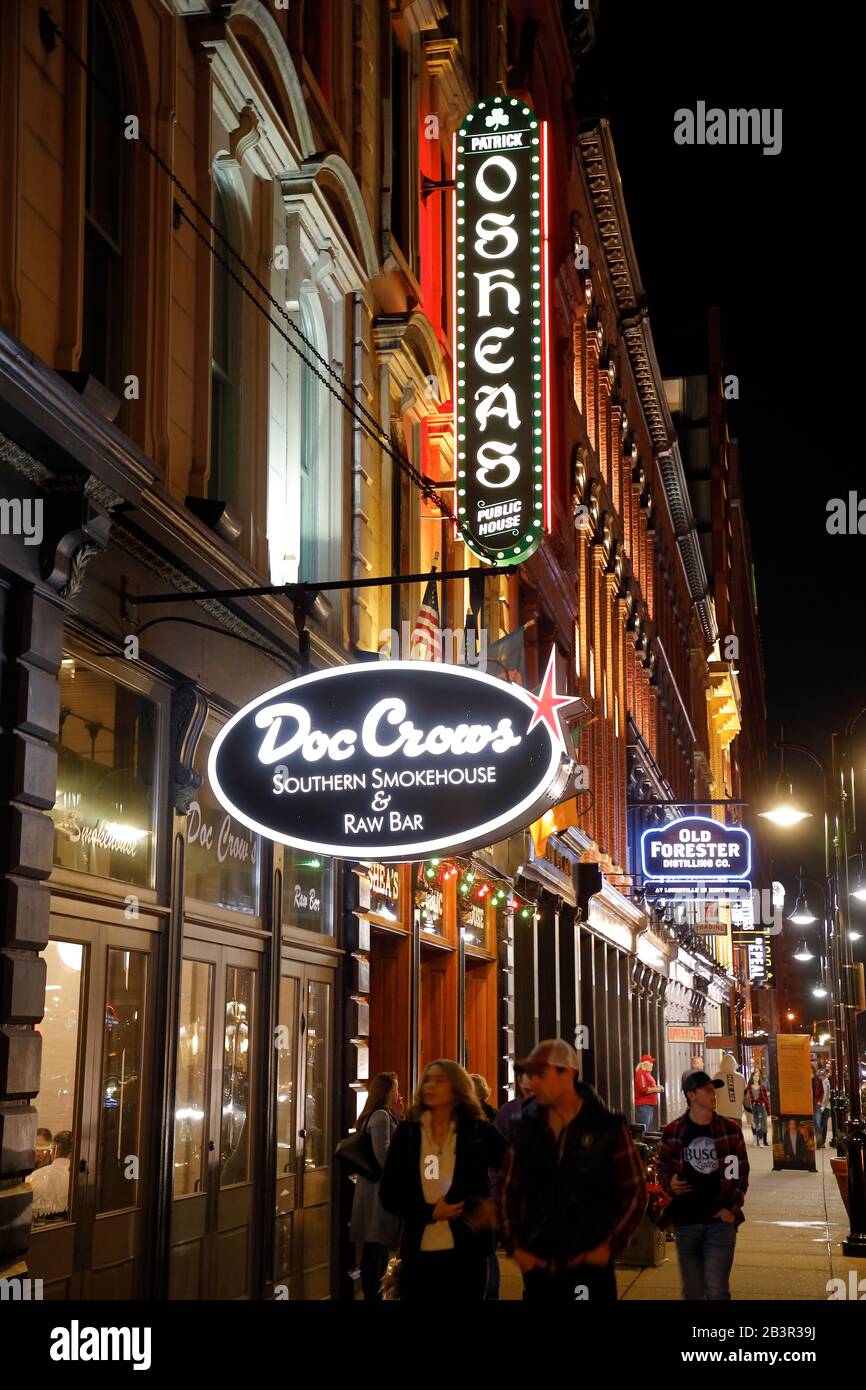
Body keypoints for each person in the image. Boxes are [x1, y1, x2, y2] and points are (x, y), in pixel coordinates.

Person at [498, 1039, 646, 1302]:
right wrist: (516, 1246)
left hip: (589, 1262)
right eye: (528, 1074)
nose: (530, 1081)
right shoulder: (524, 1127)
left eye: (539, 1073)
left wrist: (609, 1246)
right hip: (538, 1261)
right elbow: (509, 1188)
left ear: (567, 1073)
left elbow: (633, 1190)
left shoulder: (607, 1127)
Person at [379, 1059, 506, 1301]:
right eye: (428, 1080)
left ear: (457, 1089)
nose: (431, 1086)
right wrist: (430, 1211)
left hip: (467, 1253)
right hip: (419, 1254)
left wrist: (497, 1209)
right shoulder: (408, 1133)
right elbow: (389, 1193)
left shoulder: (478, 1131)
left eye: (440, 1081)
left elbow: (517, 1169)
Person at [658, 1070, 749, 1300]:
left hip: (719, 1222)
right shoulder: (673, 1132)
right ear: (691, 1095)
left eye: (713, 1088)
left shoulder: (729, 1130)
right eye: (707, 1089)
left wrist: (732, 1209)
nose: (713, 1093)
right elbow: (663, 1167)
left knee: (717, 1290)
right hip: (687, 1222)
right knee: (693, 1292)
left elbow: (741, 1173)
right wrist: (670, 1182)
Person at [349, 1071, 403, 1300]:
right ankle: (373, 1293)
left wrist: (399, 1118)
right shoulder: (380, 1117)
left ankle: (372, 1291)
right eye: (396, 1089)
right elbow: (385, 1156)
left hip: (372, 1191)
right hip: (378, 1192)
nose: (399, 1094)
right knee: (377, 1246)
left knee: (375, 1246)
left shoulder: (378, 1115)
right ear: (387, 1092)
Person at [26, 1130, 73, 1219]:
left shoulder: (34, 1177)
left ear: (54, 1150)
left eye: (42, 1148)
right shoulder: (80, 1179)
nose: (38, 1152)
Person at [495, 1065, 533, 1139]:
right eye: (528, 1091)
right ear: (519, 1082)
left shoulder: (553, 1109)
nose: (533, 1095)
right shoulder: (508, 1110)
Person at [634, 1053, 663, 1130]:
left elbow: (649, 1087)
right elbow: (643, 1089)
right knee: (644, 1128)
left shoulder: (647, 1073)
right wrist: (657, 1089)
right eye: (651, 1062)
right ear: (646, 1064)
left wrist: (657, 1087)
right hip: (643, 1105)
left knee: (648, 1128)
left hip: (648, 1105)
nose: (652, 1064)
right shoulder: (641, 1074)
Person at [745, 1070, 770, 1147]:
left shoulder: (763, 1086)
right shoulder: (749, 1088)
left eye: (758, 1075)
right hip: (753, 1107)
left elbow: (766, 1097)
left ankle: (764, 1139)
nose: (757, 1077)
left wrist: (767, 1108)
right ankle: (756, 1138)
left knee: (763, 1123)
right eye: (755, 1075)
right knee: (755, 1123)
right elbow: (746, 1100)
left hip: (762, 1107)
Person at [812, 1066, 830, 1149]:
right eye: (820, 1075)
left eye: (822, 1075)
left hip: (826, 1107)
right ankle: (820, 1141)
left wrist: (823, 1106)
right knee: (818, 1123)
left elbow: (826, 1096)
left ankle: (822, 1141)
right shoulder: (818, 1082)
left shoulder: (827, 1083)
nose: (821, 1077)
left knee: (824, 1124)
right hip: (819, 1105)